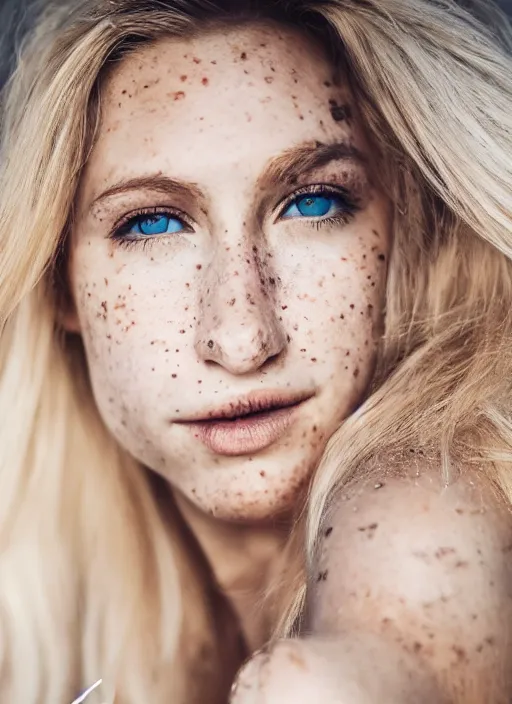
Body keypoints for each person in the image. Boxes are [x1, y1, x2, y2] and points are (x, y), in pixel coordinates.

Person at [0, 0, 511, 701]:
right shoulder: (31, 610)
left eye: (312, 203)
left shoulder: (442, 492)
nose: (242, 339)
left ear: (407, 234)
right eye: (152, 222)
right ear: (60, 281)